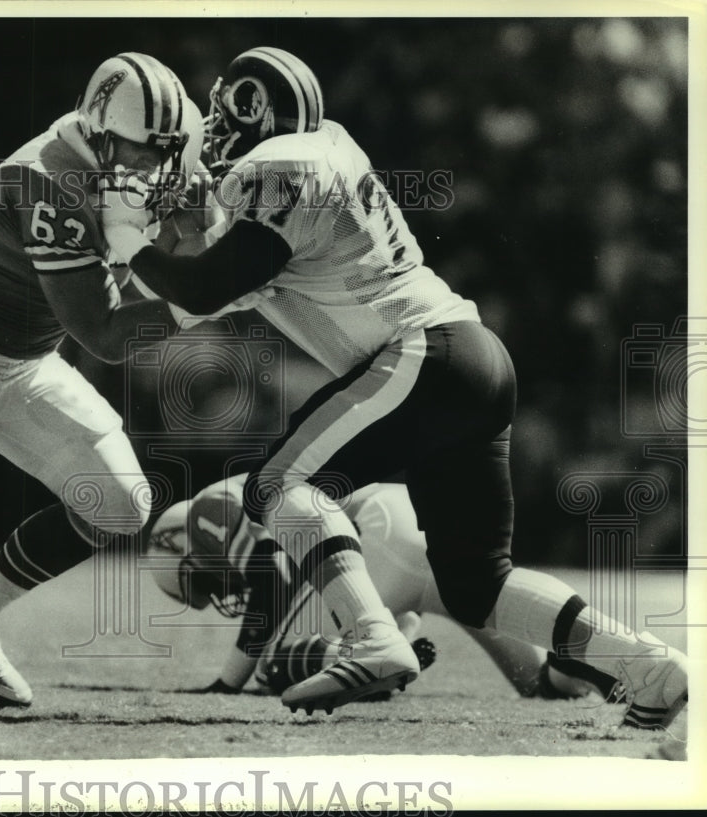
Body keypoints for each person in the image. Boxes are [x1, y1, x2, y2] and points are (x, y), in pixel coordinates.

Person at [98, 46, 688, 728]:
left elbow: (203, 284)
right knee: (478, 585)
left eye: (226, 113)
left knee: (275, 488)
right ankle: (649, 664)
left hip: (422, 355)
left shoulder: (284, 165)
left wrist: (122, 235)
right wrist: (164, 229)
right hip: (473, 357)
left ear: (255, 110)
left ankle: (372, 638)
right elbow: (218, 277)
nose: (215, 131)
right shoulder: (316, 159)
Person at [0, 52, 201, 707]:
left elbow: (189, 224)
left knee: (119, 502)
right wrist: (201, 294)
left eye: (162, 156)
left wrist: (204, 238)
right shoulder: (45, 182)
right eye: (141, 155)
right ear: (98, 133)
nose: (152, 171)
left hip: (24, 366)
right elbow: (106, 333)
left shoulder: (141, 160)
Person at [144, 474, 613, 702]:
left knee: (275, 664)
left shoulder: (209, 507)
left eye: (204, 580)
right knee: (536, 683)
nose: (221, 588)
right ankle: (573, 665)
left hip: (376, 537)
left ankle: (371, 665)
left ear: (180, 543)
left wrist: (228, 682)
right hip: (424, 518)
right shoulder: (237, 494)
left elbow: (273, 577)